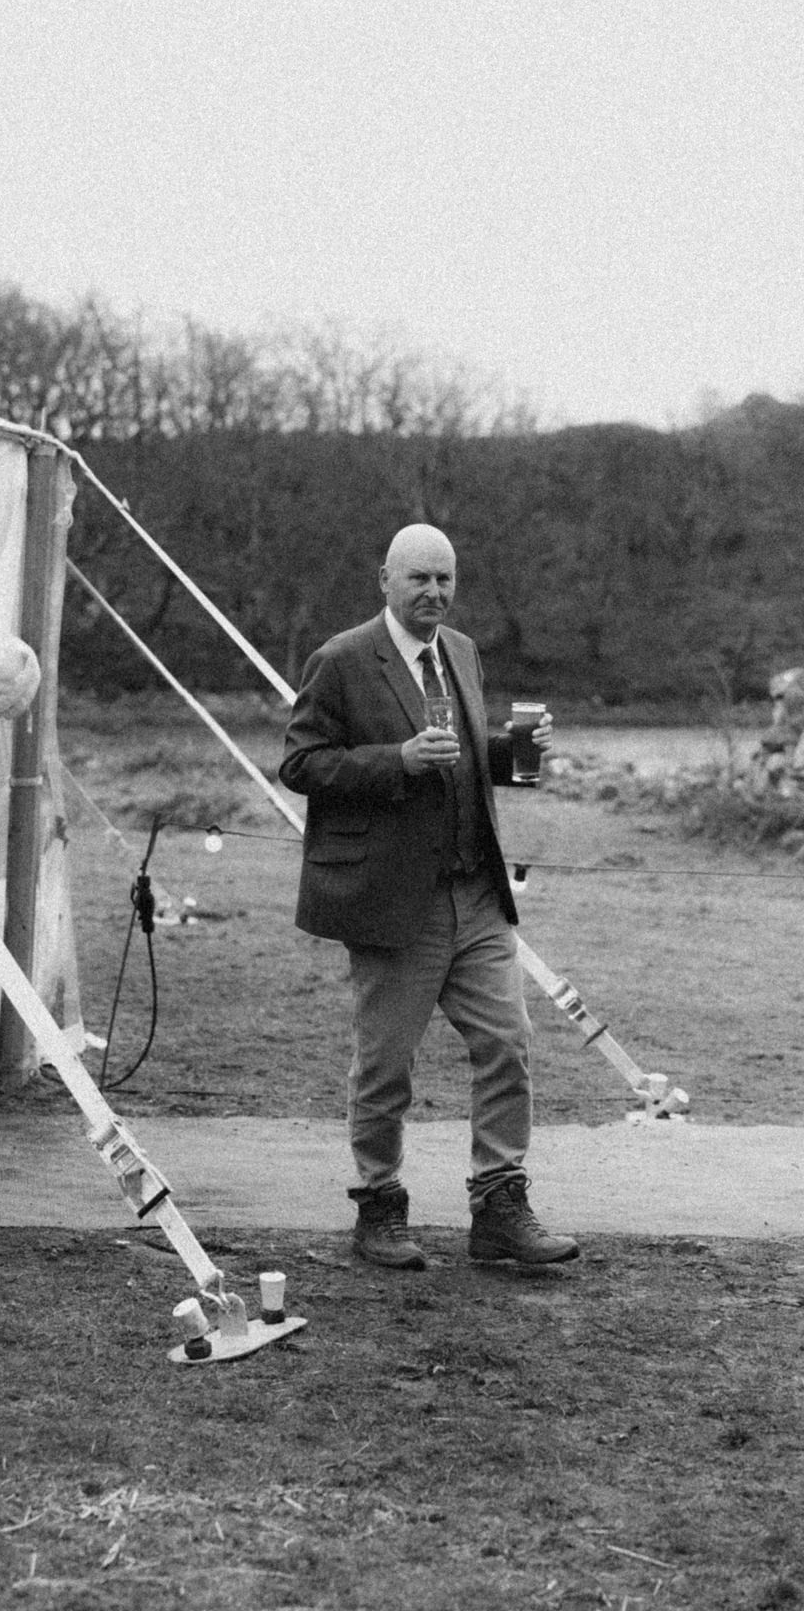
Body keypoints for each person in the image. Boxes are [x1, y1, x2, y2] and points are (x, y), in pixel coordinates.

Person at [279, 522, 579, 1270]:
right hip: (392, 902)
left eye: (445, 579)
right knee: (386, 1066)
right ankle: (379, 1207)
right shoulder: (342, 660)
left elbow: (469, 765)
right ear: (385, 579)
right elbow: (302, 763)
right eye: (419, 578)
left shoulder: (464, 654)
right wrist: (397, 761)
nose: (434, 593)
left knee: (507, 1044)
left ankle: (499, 1207)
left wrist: (519, 757)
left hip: (474, 895)